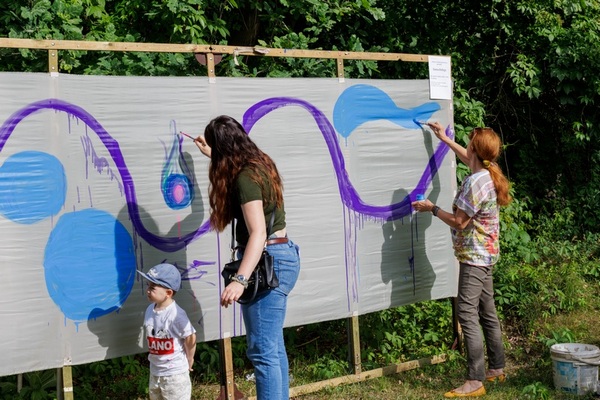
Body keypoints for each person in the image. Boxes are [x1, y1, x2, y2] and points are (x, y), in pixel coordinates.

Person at [194, 115, 301, 400]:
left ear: (224, 148)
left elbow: (258, 233)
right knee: (272, 347)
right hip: (281, 256)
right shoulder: (260, 163)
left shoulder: (245, 179)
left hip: (266, 262)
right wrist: (210, 153)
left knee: (262, 351)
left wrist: (240, 279)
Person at [412, 122, 511, 398]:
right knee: (487, 312)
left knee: (467, 314)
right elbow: (468, 158)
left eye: (469, 143)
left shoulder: (473, 183)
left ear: (475, 150)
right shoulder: (487, 174)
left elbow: (459, 222)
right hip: (487, 256)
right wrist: (443, 138)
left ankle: (475, 379)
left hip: (474, 259)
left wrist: (432, 208)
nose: (466, 147)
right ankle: (497, 368)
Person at [138, 263, 197, 400]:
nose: (148, 290)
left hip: (174, 374)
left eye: (152, 287)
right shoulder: (149, 310)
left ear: (168, 293)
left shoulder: (177, 315)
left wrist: (190, 358)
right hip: (156, 371)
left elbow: (190, 336)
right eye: (148, 286)